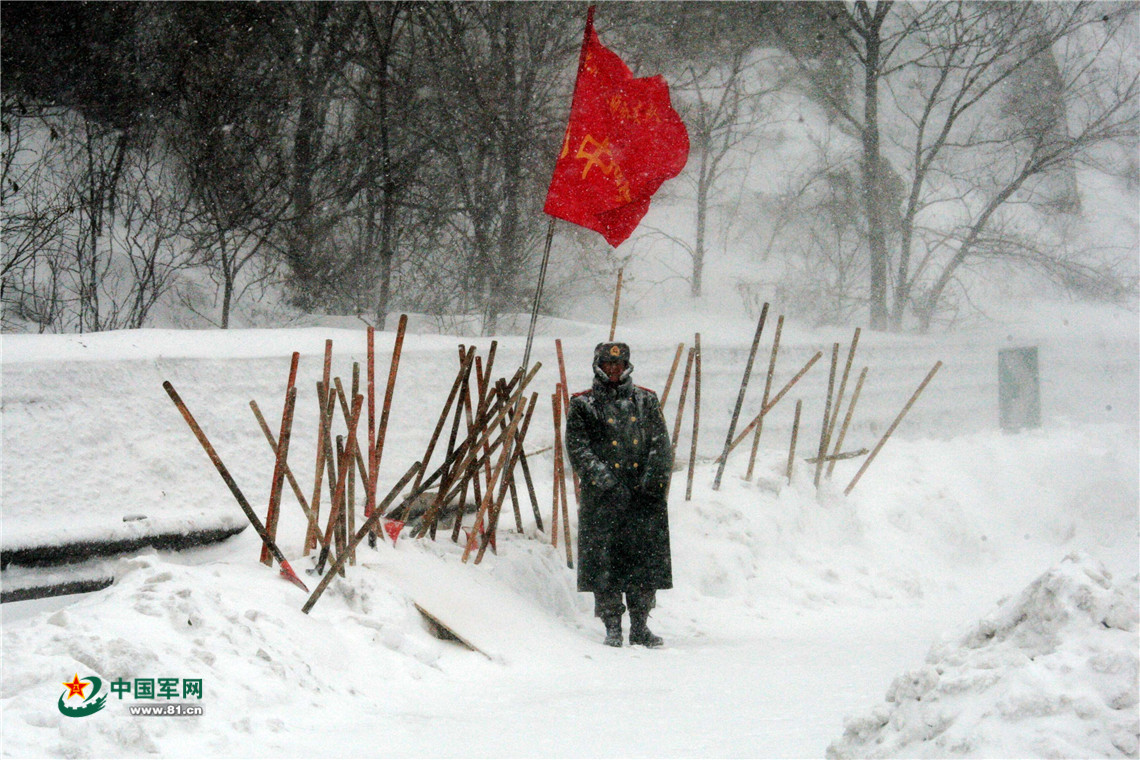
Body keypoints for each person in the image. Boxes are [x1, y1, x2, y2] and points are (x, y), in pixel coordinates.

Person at [565, 342, 673, 648]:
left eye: (619, 365)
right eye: (608, 365)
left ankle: (640, 626)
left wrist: (649, 482)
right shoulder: (583, 405)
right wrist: (608, 483)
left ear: (627, 367)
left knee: (643, 564)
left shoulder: (646, 401)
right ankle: (612, 626)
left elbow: (660, 445)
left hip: (642, 497)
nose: (614, 370)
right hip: (604, 499)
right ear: (598, 366)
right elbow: (579, 449)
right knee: (606, 565)